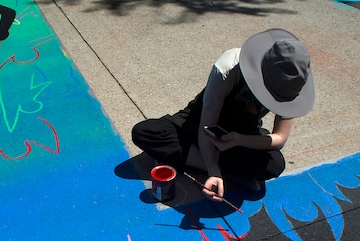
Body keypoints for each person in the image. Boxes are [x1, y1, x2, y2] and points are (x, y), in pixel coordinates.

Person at [131, 28, 315, 202]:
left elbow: (280, 137)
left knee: (275, 164)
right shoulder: (229, 66)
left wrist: (239, 139)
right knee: (146, 132)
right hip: (199, 121)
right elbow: (205, 125)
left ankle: (188, 158)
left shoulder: (294, 83)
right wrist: (213, 171)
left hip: (242, 132)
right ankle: (230, 172)